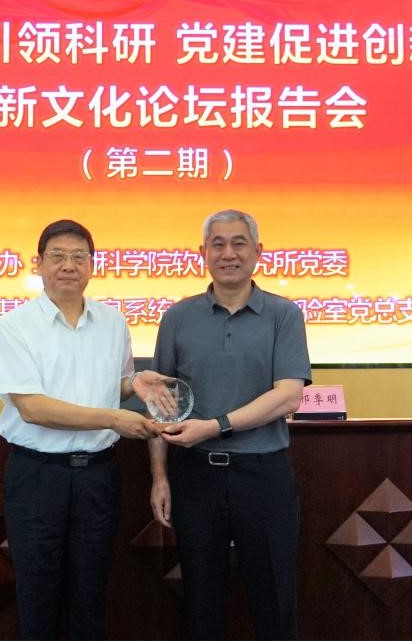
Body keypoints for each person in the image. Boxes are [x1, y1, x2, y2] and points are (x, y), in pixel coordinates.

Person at [0, 218, 167, 640]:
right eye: (57, 256)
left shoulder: (113, 322)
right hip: (38, 477)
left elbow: (112, 384)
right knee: (38, 595)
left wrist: (134, 383)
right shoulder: (15, 326)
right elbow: (32, 407)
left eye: (78, 257)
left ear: (92, 265)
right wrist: (112, 418)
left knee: (91, 594)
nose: (68, 265)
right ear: (38, 264)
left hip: (97, 477)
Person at [148, 209, 312, 640]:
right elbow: (161, 405)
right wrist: (160, 477)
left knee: (274, 600)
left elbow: (288, 396)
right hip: (195, 476)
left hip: (263, 474)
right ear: (202, 253)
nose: (228, 253)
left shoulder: (283, 314)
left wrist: (214, 426)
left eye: (239, 243)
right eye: (217, 244)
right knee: (201, 602)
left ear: (258, 251)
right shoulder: (178, 317)